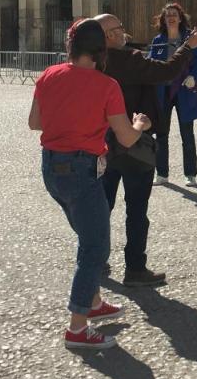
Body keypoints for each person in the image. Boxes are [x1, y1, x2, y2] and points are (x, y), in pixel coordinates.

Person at [29, 19, 151, 350]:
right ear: (100, 51)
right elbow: (125, 137)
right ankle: (78, 326)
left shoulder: (49, 75)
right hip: (82, 169)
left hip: (51, 167)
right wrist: (140, 123)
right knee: (95, 246)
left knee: (87, 236)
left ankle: (94, 302)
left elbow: (35, 122)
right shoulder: (107, 85)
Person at [98, 11, 197, 285]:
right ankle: (135, 268)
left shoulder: (96, 62)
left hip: (101, 143)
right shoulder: (127, 59)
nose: (124, 32)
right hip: (133, 139)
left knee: (101, 206)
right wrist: (188, 48)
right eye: (119, 28)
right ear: (108, 36)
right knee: (136, 210)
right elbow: (165, 71)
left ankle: (95, 260)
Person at [147, 3, 197, 185]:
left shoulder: (190, 38)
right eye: (167, 15)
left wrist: (194, 77)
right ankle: (162, 173)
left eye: (174, 14)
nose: (171, 17)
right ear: (163, 19)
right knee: (161, 134)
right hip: (163, 91)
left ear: (180, 18)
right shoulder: (158, 40)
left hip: (184, 91)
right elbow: (152, 63)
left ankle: (191, 174)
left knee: (187, 134)